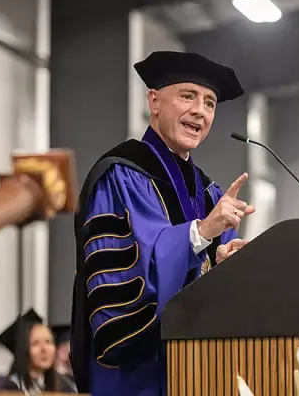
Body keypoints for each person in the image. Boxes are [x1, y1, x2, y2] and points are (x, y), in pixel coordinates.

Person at [70, 50, 255, 396]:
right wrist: (199, 234)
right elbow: (124, 277)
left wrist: (226, 267)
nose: (200, 110)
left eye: (211, 103)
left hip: (200, 371)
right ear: (154, 101)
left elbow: (210, 277)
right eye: (188, 96)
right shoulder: (120, 175)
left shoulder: (211, 194)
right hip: (136, 375)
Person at [0, 309, 76, 394]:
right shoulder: (11, 389)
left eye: (48, 341)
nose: (44, 349)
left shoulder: (65, 385)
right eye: (35, 343)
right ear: (23, 350)